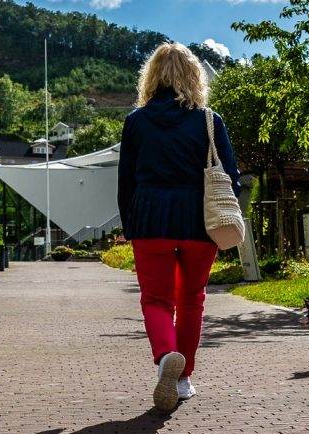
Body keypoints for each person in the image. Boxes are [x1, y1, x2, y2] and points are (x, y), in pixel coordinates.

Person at [118, 42, 240, 412]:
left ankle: (165, 356)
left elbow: (126, 182)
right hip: (200, 221)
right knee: (192, 300)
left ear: (152, 76)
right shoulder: (209, 120)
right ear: (194, 76)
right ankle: (183, 377)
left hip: (150, 218)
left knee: (156, 300)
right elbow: (231, 175)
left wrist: (130, 224)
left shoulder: (136, 122)